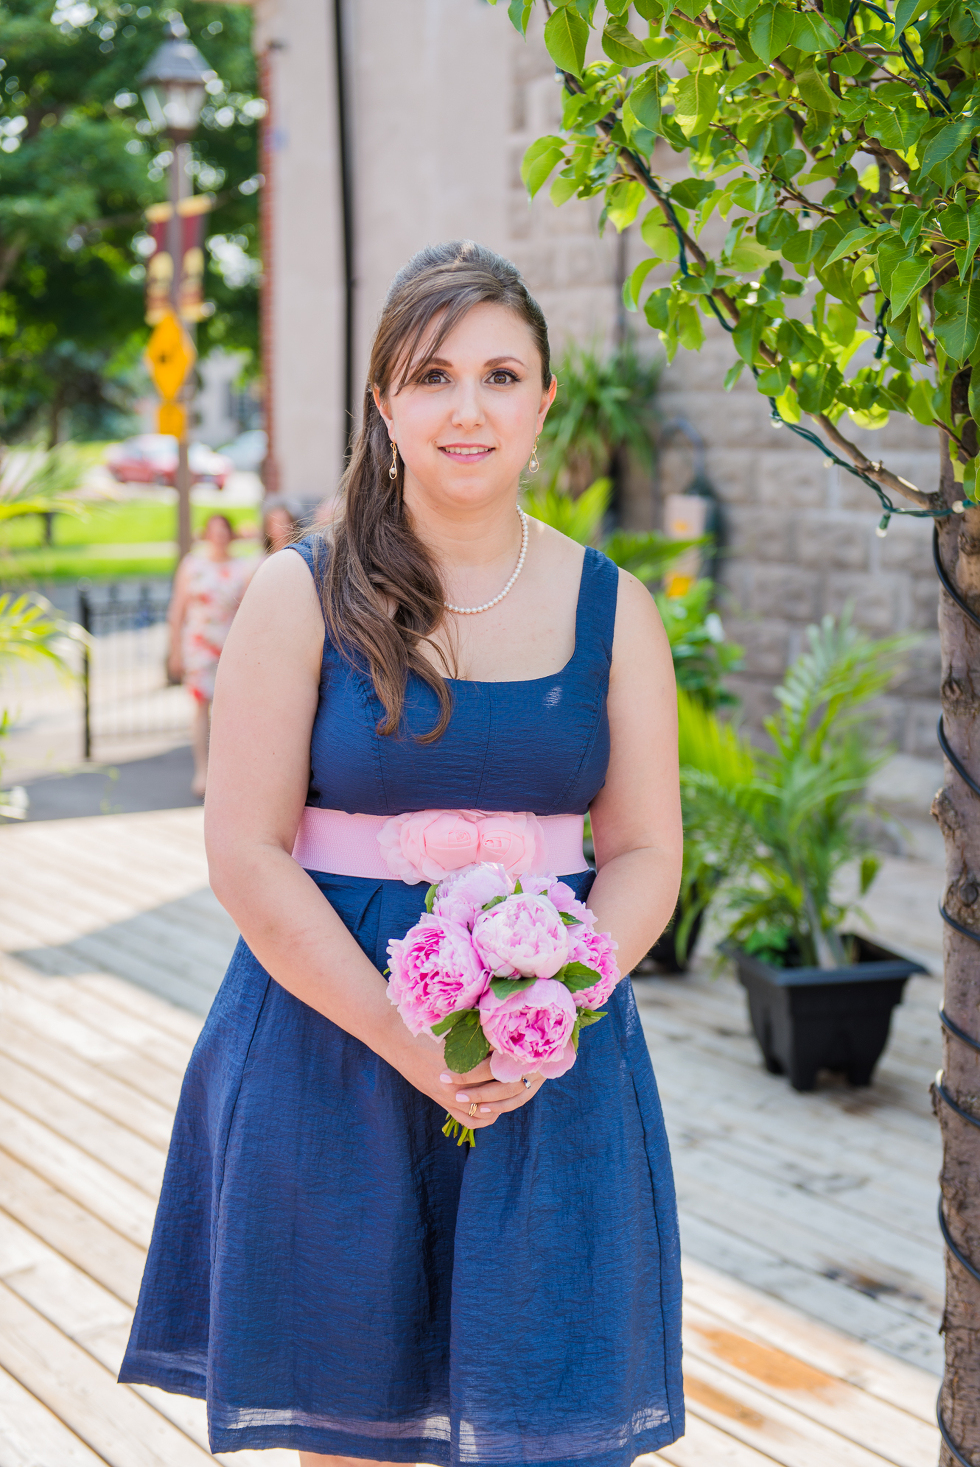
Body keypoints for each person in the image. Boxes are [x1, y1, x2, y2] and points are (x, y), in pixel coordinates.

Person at [121, 241, 685, 1466]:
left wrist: (552, 1007)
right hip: (332, 1053)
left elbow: (642, 849)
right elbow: (247, 853)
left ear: (544, 401)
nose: (465, 408)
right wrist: (410, 1037)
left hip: (546, 1071)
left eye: (499, 375)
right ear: (384, 403)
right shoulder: (300, 593)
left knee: (550, 1419)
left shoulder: (614, 608)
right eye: (430, 377)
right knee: (356, 1437)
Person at [166, 512, 255, 798]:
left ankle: (227, 772)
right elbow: (178, 610)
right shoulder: (193, 565)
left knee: (229, 711)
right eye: (213, 531)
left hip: (231, 646)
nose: (219, 537)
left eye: (223, 531)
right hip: (199, 645)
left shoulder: (242, 568)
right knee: (200, 706)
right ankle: (202, 770)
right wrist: (175, 651)